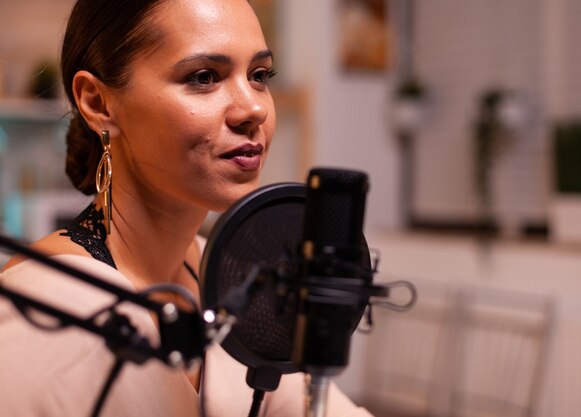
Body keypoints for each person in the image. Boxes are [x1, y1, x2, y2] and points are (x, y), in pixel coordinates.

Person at [0, 0, 373, 416]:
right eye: (204, 77)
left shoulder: (227, 277)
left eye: (259, 75)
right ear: (99, 103)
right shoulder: (41, 313)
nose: (253, 109)